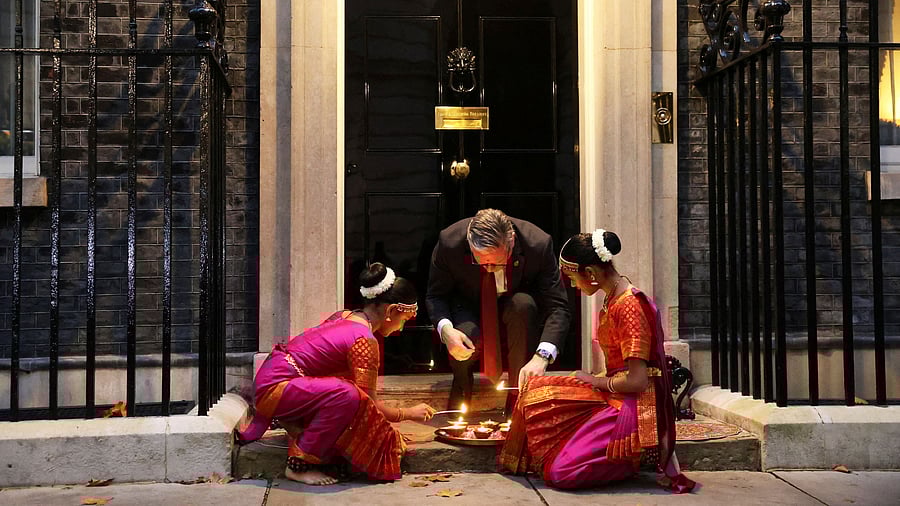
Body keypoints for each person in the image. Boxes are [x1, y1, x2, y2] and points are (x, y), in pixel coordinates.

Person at [499, 230, 696, 493]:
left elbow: (637, 381)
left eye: (573, 278)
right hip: (612, 390)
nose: (572, 285)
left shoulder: (629, 307)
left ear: (590, 274)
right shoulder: (612, 297)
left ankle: (632, 458)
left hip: (632, 405)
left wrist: (594, 380)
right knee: (534, 390)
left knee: (560, 473)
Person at [236, 263, 436, 485]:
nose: (401, 329)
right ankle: (299, 465)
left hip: (273, 379)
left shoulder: (345, 316)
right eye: (404, 320)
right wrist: (407, 413)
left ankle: (296, 425)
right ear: (390, 312)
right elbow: (367, 402)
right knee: (348, 395)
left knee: (348, 397)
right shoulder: (364, 341)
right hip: (277, 388)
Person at [426, 209, 570, 410]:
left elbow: (558, 306)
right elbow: (436, 295)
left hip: (516, 305)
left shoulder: (538, 243)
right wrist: (445, 330)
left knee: (523, 305)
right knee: (463, 332)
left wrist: (542, 356)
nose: (490, 269)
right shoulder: (449, 241)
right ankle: (461, 384)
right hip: (468, 303)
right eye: (481, 261)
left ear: (510, 241)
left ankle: (518, 395)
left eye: (496, 262)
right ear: (469, 243)